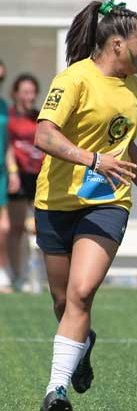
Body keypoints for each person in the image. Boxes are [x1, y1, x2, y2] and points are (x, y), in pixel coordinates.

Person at [35, 2, 137, 410]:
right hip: (55, 200)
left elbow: (124, 144)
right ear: (116, 43)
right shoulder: (74, 79)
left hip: (107, 203)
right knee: (63, 303)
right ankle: (82, 344)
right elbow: (44, 135)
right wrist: (93, 159)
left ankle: (56, 391)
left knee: (81, 294)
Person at [7, 73, 43, 292]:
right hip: (18, 175)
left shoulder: (39, 117)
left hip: (39, 176)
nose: (30, 96)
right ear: (16, 93)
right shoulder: (9, 118)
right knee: (16, 227)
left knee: (41, 227)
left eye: (33, 92)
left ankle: (38, 276)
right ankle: (16, 275)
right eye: (26, 92)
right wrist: (12, 171)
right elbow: (8, 146)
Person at [0, 59, 15, 295]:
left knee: (4, 227)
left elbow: (8, 142)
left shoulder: (3, 105)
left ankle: (2, 272)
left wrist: (13, 171)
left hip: (1, 172)